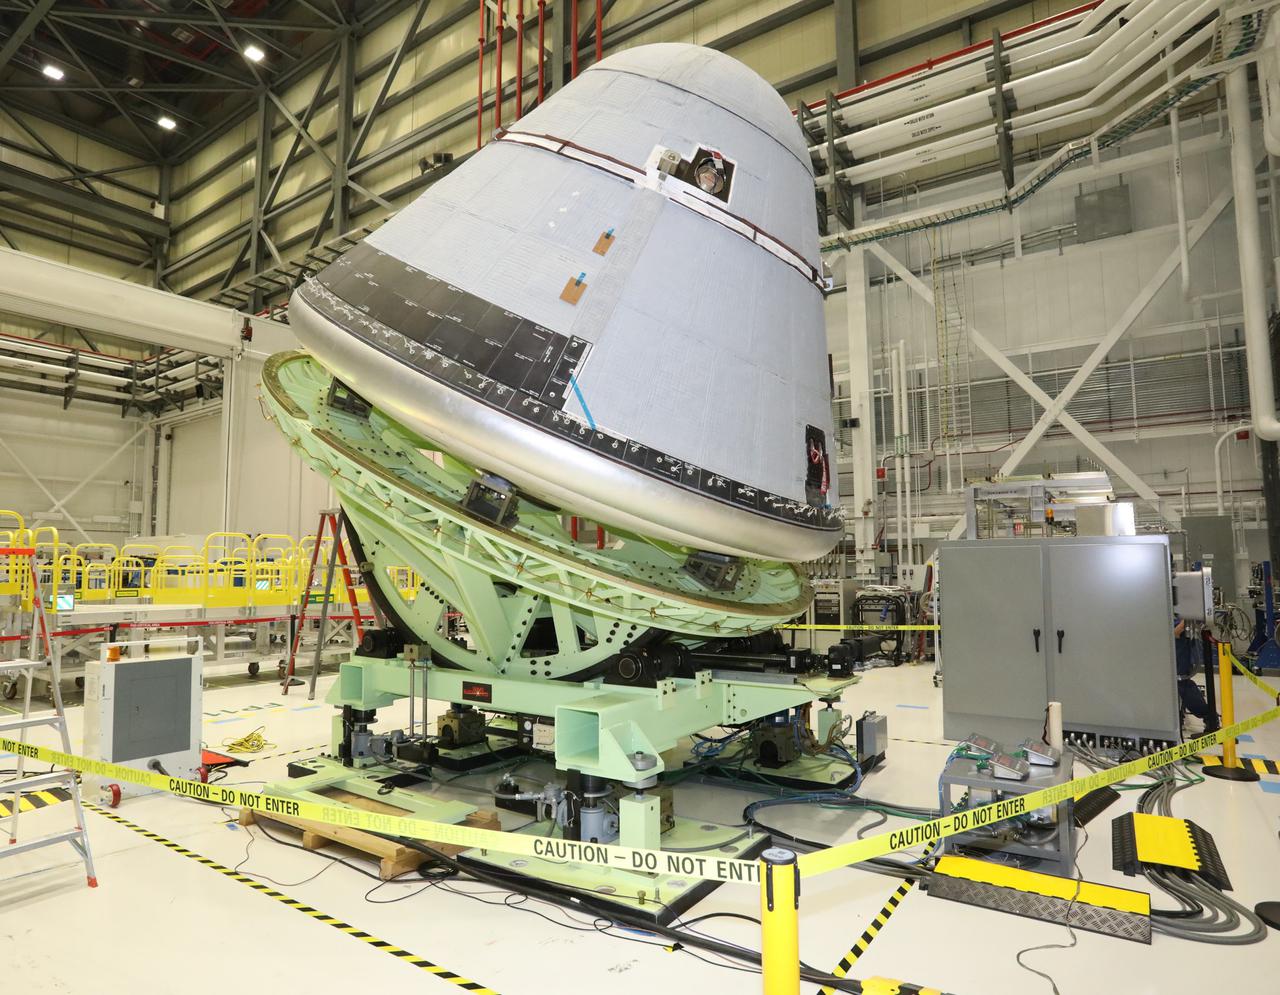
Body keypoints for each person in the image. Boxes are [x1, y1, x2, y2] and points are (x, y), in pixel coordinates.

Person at [1174, 617, 1220, 734]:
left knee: (1182, 683)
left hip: (1178, 645)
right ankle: (1177, 716)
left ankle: (1210, 717)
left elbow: (1177, 630)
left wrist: (1181, 626)